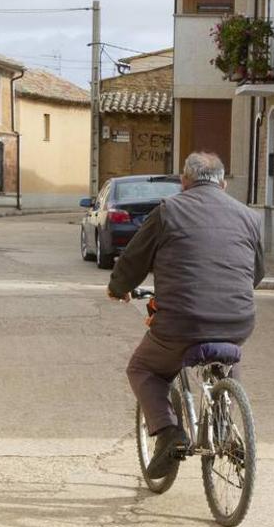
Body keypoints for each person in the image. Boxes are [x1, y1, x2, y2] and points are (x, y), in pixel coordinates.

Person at [107, 151, 264, 478]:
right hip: (238, 321)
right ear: (222, 183)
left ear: (184, 181)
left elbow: (133, 260)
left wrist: (119, 286)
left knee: (143, 368)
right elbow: (256, 274)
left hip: (181, 322)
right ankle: (223, 427)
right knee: (225, 358)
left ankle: (168, 433)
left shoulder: (168, 211)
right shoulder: (248, 216)